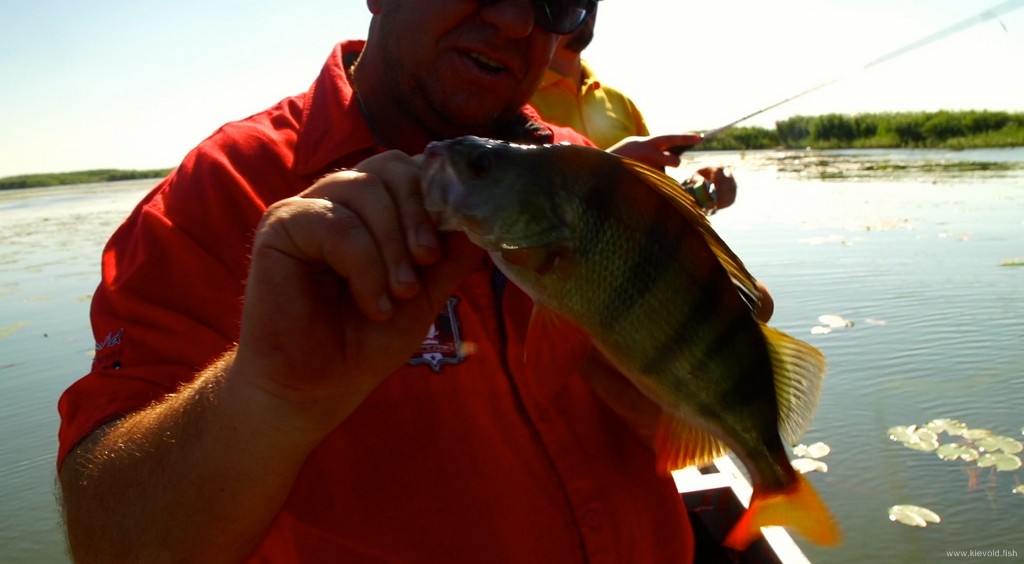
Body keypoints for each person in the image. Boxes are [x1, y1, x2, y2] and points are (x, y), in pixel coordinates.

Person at [57, 1, 771, 562]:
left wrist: (678, 379)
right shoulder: (217, 196)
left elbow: (672, 424)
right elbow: (110, 545)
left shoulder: (586, 176)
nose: (515, 18)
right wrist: (267, 395)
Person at [529, 2, 736, 214]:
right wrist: (610, 169)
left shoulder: (622, 103)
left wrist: (695, 191)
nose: (588, 7)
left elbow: (652, 207)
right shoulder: (519, 102)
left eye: (594, 0)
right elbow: (522, 203)